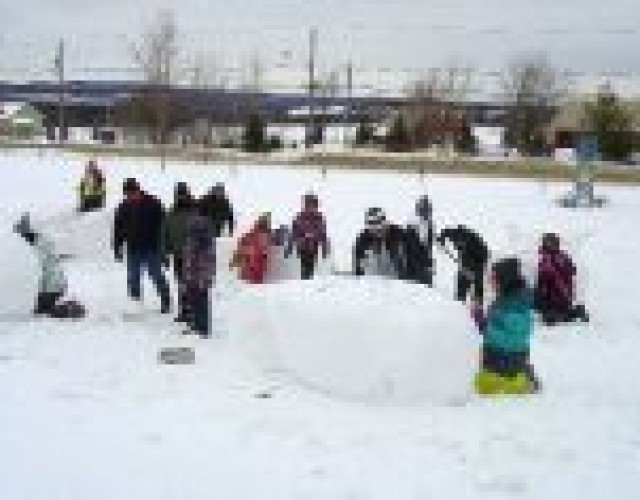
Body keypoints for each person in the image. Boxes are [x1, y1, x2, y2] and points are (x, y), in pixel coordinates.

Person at [471, 257, 539, 395]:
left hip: (506, 359)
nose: (491, 282)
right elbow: (497, 325)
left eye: (494, 278)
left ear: (505, 280)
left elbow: (513, 340)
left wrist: (483, 325)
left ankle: (521, 378)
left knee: (480, 384)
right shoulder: (505, 299)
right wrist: (480, 315)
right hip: (497, 356)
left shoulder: (518, 306)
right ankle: (522, 373)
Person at [112, 178, 171, 313]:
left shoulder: (154, 203)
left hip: (152, 248)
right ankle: (135, 304)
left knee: (156, 275)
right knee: (133, 277)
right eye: (126, 194)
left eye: (131, 194)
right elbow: (118, 228)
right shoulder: (123, 207)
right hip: (133, 248)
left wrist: (164, 248)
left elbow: (164, 227)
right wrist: (117, 247)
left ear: (138, 190)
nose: (129, 197)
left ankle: (166, 300)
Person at [13, 214, 85, 319]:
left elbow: (46, 249)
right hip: (53, 286)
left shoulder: (49, 254)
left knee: (41, 312)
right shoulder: (49, 254)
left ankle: (71, 309)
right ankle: (70, 308)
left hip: (52, 288)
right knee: (41, 311)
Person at [534, 233, 589, 326]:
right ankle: (574, 311)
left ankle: (552, 314)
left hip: (557, 296)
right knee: (561, 312)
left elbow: (543, 281)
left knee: (546, 312)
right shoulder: (563, 256)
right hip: (566, 296)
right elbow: (573, 270)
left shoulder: (547, 260)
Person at [181, 198, 216, 338]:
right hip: (195, 270)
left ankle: (202, 328)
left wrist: (206, 275)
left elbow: (206, 255)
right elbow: (190, 251)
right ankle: (197, 325)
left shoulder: (200, 227)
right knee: (194, 298)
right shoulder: (194, 226)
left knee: (200, 299)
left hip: (199, 271)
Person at [164, 182, 195, 322]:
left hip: (193, 256)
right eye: (178, 195)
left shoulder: (195, 212)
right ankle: (184, 311)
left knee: (191, 285)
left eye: (183, 194)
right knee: (181, 284)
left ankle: (193, 312)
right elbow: (165, 233)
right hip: (177, 255)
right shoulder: (171, 213)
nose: (180, 197)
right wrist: (165, 252)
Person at [437, 225, 489, 305]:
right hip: (465, 261)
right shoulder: (455, 233)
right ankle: (460, 301)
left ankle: (478, 303)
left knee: (477, 283)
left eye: (461, 242)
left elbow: (484, 254)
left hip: (478, 262)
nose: (458, 243)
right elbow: (445, 232)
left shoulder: (475, 241)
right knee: (462, 280)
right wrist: (441, 239)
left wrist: (473, 268)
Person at [353, 207, 408, 278]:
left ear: (384, 222)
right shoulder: (363, 239)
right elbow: (358, 269)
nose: (376, 227)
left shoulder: (398, 234)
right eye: (372, 223)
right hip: (373, 280)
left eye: (379, 222)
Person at [287, 193, 330, 280]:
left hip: (313, 247)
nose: (311, 207)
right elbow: (294, 233)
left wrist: (325, 249)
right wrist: (289, 248)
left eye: (313, 204)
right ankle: (304, 281)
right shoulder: (300, 217)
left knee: (311, 267)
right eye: (309, 204)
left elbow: (323, 234)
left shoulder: (319, 218)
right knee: (304, 267)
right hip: (302, 246)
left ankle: (308, 282)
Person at [230, 213, 272, 284]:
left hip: (254, 269)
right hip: (251, 268)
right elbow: (241, 247)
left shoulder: (262, 237)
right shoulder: (252, 235)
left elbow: (241, 247)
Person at [404, 195, 435, 285]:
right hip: (413, 267)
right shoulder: (411, 225)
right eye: (425, 210)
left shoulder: (429, 224)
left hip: (425, 266)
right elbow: (412, 249)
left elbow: (429, 246)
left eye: (429, 211)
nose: (427, 214)